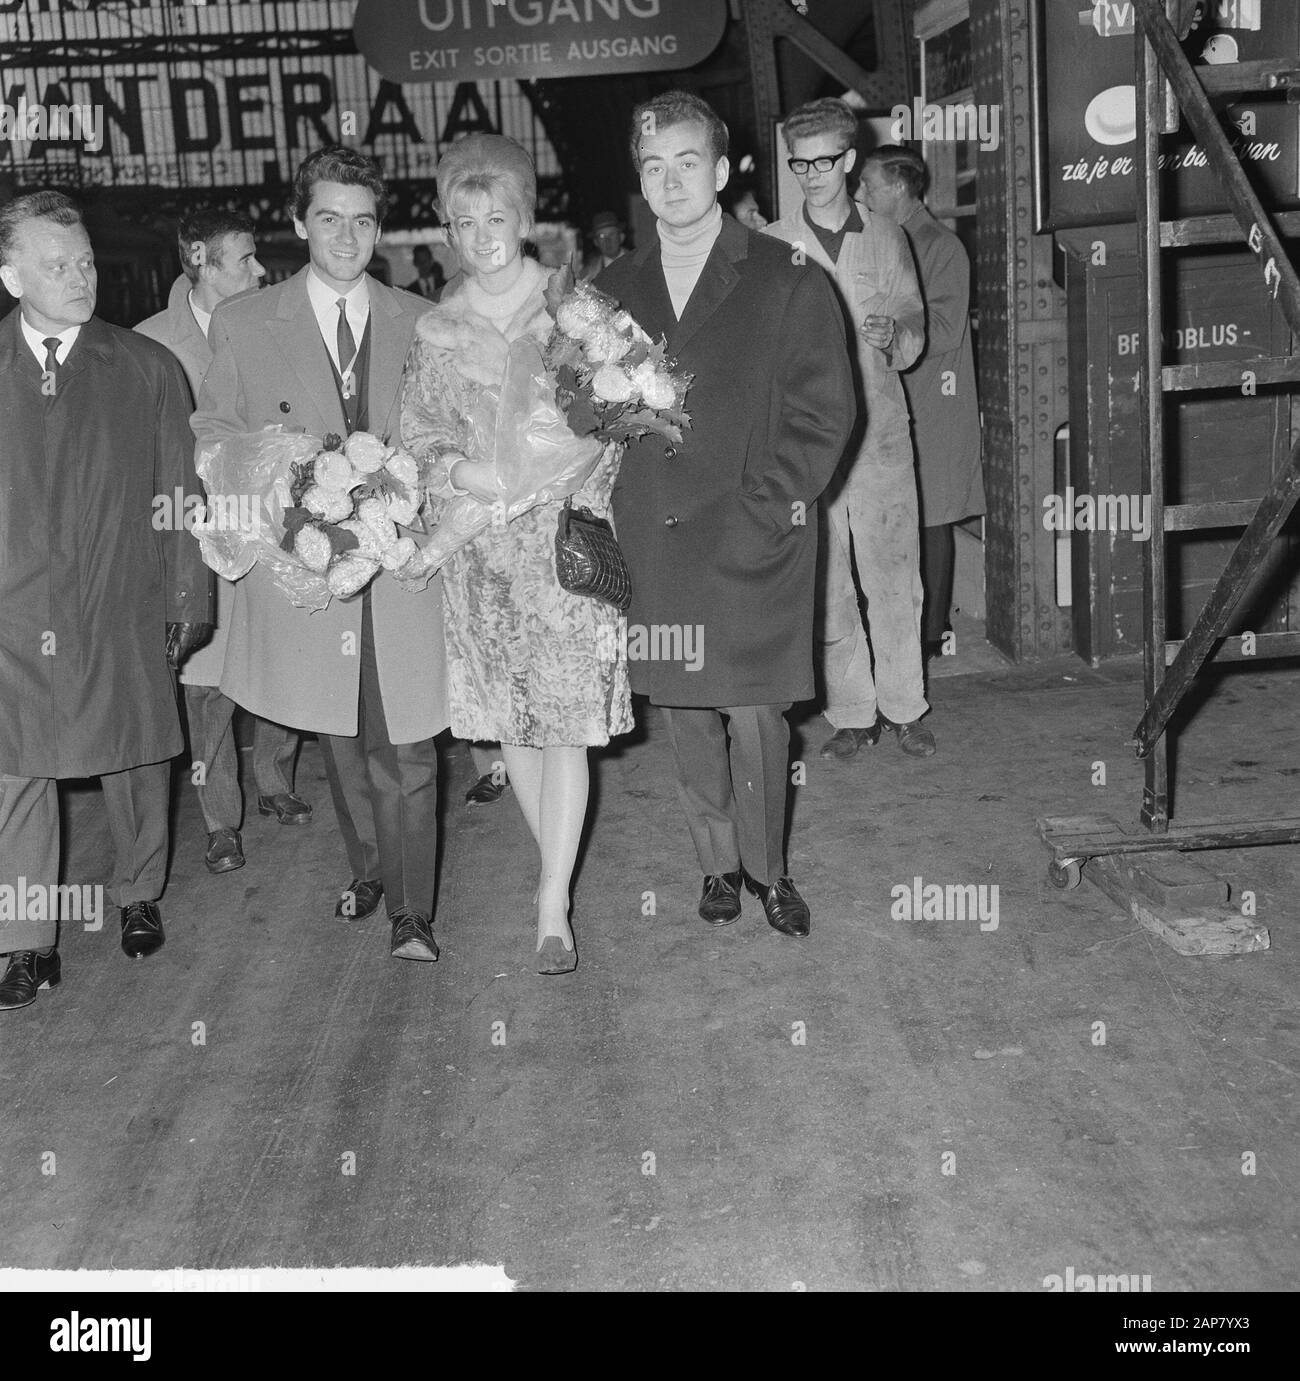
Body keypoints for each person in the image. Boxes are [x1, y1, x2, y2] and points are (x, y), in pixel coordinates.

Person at [597, 92, 853, 939]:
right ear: (640, 177)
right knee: (684, 709)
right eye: (654, 166)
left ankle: (767, 868)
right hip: (655, 536)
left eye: (687, 162)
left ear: (724, 169)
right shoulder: (610, 290)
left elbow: (825, 415)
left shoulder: (786, 276)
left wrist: (767, 504)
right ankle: (714, 864)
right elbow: (580, 416)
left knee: (755, 712)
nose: (671, 181)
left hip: (751, 536)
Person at [192, 147, 448, 964]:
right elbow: (214, 436)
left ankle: (413, 911)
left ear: (381, 226)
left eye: (364, 219)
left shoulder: (421, 319)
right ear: (300, 223)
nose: (347, 236)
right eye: (329, 218)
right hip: (308, 568)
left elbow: (449, 440)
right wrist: (284, 485)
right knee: (340, 732)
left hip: (401, 567)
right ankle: (370, 866)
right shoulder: (244, 321)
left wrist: (413, 504)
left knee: (405, 740)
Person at [400, 132, 632, 975]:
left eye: (496, 215)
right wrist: (472, 469)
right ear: (446, 232)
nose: (482, 233)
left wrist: (556, 477)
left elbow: (626, 413)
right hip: (481, 554)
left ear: (525, 217)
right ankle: (554, 876)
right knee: (517, 730)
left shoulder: (575, 307)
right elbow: (416, 438)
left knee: (565, 727)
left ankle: (551, 905)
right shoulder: (435, 329)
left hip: (562, 539)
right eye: (464, 221)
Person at [0, 191, 213, 1010]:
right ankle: (26, 942)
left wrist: (188, 593)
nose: (81, 277)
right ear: (11, 273)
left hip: (121, 593)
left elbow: (180, 491)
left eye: (85, 261)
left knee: (131, 753)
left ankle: (138, 893)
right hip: (17, 612)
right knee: (16, 767)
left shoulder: (146, 367)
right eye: (57, 265)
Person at [136, 210, 314, 877]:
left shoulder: (278, 332)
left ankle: (275, 777)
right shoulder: (151, 342)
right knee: (205, 685)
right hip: (197, 536)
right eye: (243, 259)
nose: (260, 271)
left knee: (279, 663)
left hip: (272, 533)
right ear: (199, 259)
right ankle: (219, 819)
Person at [764, 98, 936, 761]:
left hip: (882, 433)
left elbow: (913, 321)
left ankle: (905, 707)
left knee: (895, 578)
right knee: (828, 585)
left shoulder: (887, 237)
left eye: (823, 162)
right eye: (799, 163)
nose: (810, 175)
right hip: (808, 443)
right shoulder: (774, 247)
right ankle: (853, 713)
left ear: (849, 159)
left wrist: (894, 332)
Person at [859, 145, 985, 655]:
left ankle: (934, 633)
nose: (859, 193)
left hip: (932, 403)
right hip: (895, 400)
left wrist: (891, 334)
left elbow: (948, 329)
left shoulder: (940, 246)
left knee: (933, 516)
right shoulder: (880, 243)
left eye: (867, 184)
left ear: (898, 187)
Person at [578, 210, 626, 281]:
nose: (607, 240)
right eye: (601, 236)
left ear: (621, 237)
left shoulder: (638, 264)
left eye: (611, 234)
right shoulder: (587, 274)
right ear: (596, 242)